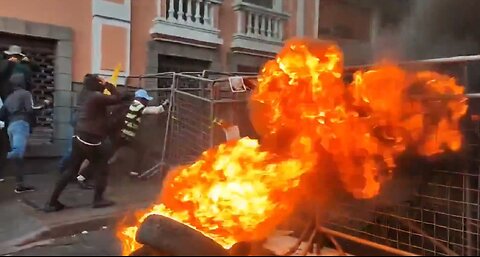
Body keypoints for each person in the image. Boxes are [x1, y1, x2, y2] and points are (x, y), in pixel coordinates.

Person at [44, 74, 122, 212]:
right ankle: (98, 200)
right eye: (100, 81)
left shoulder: (84, 95)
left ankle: (52, 202)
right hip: (92, 139)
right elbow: (117, 98)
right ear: (96, 83)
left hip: (79, 136)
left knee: (71, 170)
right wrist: (109, 85)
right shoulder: (96, 96)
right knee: (102, 168)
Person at [0, 74, 49, 193]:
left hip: (10, 126)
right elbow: (32, 108)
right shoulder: (25, 94)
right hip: (21, 124)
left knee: (18, 158)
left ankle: (20, 185)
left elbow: (2, 115)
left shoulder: (8, 97)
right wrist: (45, 103)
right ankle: (19, 183)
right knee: (17, 153)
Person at [111, 89, 169, 177]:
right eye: (145, 100)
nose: (146, 102)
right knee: (141, 149)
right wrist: (165, 105)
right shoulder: (137, 106)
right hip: (126, 136)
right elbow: (156, 110)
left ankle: (99, 168)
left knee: (110, 151)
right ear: (141, 99)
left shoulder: (129, 105)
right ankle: (134, 171)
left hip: (119, 134)